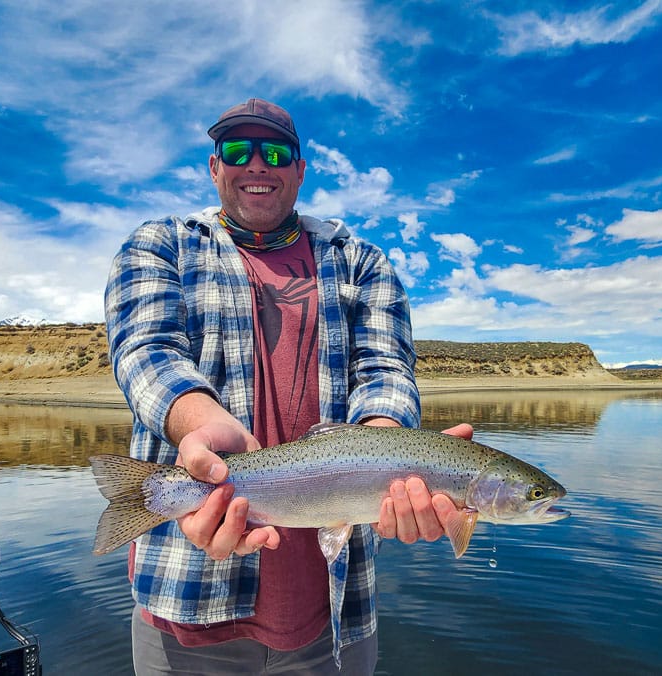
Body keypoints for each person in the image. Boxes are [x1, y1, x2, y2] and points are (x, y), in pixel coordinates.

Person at [104, 98, 469, 675]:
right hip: (183, 598)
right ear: (214, 165)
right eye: (237, 150)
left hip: (333, 612)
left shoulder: (361, 263)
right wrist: (200, 424)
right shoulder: (161, 244)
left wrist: (386, 449)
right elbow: (146, 353)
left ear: (300, 169)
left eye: (275, 152)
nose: (257, 165)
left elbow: (386, 372)